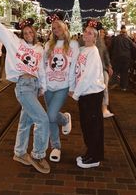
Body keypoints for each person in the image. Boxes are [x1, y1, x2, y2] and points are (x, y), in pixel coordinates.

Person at [0, 11, 50, 174]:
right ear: (22, 34)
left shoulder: (39, 48)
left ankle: (19, 152)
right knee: (42, 119)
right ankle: (38, 155)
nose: (29, 34)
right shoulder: (15, 43)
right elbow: (0, 28)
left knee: (25, 122)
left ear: (35, 32)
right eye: (25, 32)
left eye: (31, 31)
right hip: (23, 86)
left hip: (34, 86)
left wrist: (43, 87)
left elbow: (42, 69)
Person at [44, 14, 79, 163]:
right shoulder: (48, 45)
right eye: (53, 28)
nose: (56, 29)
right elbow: (43, 66)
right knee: (50, 118)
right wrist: (42, 84)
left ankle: (64, 119)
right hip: (48, 85)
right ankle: (56, 147)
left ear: (65, 27)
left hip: (63, 86)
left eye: (58, 26)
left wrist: (72, 86)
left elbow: (73, 67)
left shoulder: (73, 45)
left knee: (52, 115)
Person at [69, 23, 105, 169]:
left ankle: (94, 156)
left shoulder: (94, 52)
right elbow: (75, 69)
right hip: (84, 93)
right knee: (86, 125)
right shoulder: (83, 49)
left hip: (92, 93)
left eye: (90, 33)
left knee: (93, 126)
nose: (86, 34)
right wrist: (73, 88)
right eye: (85, 32)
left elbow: (88, 76)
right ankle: (90, 152)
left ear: (95, 38)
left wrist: (76, 93)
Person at [109, 25, 135, 91]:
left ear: (120, 31)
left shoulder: (115, 38)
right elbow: (133, 47)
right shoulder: (128, 39)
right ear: (125, 31)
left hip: (116, 57)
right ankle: (123, 87)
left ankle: (113, 84)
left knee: (115, 71)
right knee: (125, 72)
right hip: (126, 58)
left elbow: (110, 48)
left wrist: (111, 56)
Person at [96, 24, 114, 118]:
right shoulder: (99, 42)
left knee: (103, 89)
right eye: (102, 32)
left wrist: (109, 66)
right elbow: (105, 55)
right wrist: (109, 66)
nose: (104, 33)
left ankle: (103, 109)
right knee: (104, 89)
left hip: (102, 69)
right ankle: (104, 109)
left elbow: (106, 55)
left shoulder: (101, 42)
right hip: (101, 69)